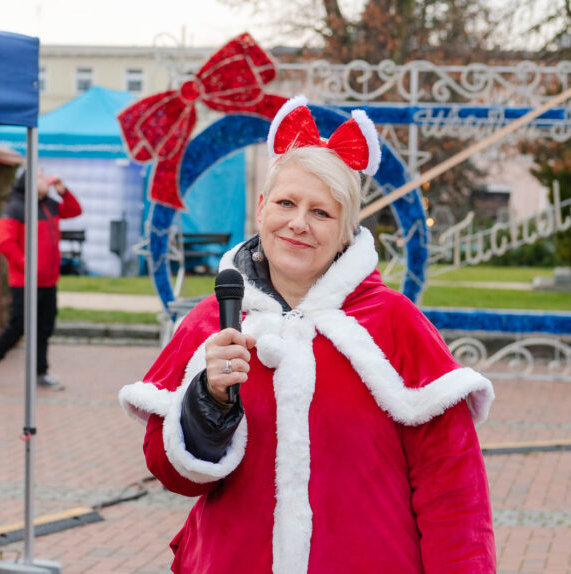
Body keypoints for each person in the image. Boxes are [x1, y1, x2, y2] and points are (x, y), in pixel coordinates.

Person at [118, 97, 496, 573]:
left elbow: (455, 493)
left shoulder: (395, 323)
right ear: (261, 208)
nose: (298, 223)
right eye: (286, 203)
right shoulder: (211, 321)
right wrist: (208, 401)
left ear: (346, 230)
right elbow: (171, 472)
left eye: (321, 213)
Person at [0, 169, 82, 390]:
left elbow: (74, 211)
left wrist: (64, 192)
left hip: (48, 280)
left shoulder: (51, 205)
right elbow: (5, 243)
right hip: (25, 282)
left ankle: (40, 372)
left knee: (44, 328)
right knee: (19, 326)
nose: (45, 179)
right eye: (39, 176)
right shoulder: (15, 207)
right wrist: (28, 265)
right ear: (27, 182)